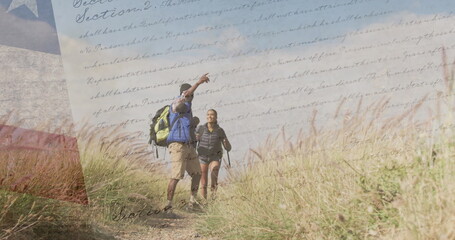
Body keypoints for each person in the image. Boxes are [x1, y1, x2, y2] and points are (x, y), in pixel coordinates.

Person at [165, 73, 210, 210]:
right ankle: (168, 205)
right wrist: (198, 83)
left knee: (197, 173)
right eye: (188, 95)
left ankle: (192, 202)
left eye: (191, 96)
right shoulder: (176, 105)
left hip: (189, 146)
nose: (190, 97)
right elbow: (184, 97)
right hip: (177, 146)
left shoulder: (188, 110)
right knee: (176, 176)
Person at [196, 109, 231, 200]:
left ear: (216, 117)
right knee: (203, 183)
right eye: (208, 114)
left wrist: (225, 142)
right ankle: (204, 203)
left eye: (212, 115)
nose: (209, 116)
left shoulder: (220, 130)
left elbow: (228, 148)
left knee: (214, 179)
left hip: (215, 157)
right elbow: (192, 140)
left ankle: (213, 200)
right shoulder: (200, 129)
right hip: (202, 157)